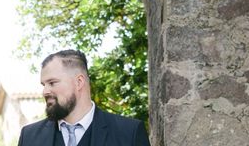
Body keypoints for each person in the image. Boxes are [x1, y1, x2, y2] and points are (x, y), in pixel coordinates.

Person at [17, 50, 151, 146]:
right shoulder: (29, 137)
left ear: (79, 82)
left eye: (52, 83)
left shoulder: (129, 133)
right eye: (43, 84)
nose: (45, 91)